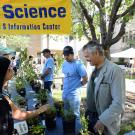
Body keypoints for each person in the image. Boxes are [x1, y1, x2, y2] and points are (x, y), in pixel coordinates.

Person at [82, 41, 125, 135]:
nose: (86, 59)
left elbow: (119, 104)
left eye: (87, 56)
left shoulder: (115, 71)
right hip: (92, 117)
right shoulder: (94, 70)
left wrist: (103, 120)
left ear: (96, 53)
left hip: (105, 122)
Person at [0, 56, 48, 135]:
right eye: (10, 67)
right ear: (4, 72)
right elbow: (20, 115)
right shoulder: (2, 99)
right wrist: (41, 109)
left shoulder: (3, 93)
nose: (12, 69)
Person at [62, 46, 88, 120]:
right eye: (64, 55)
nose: (66, 57)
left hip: (74, 95)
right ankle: (68, 130)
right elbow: (64, 75)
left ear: (72, 54)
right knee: (66, 112)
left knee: (75, 115)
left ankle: (76, 130)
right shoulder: (64, 63)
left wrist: (78, 86)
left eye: (67, 55)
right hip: (65, 93)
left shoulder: (79, 64)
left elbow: (85, 79)